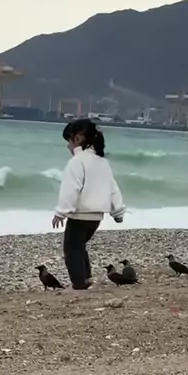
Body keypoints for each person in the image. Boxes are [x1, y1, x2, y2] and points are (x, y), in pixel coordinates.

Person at [52, 118, 125, 290]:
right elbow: (113, 188)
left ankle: (79, 284)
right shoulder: (103, 162)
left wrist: (61, 212)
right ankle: (86, 277)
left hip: (80, 215)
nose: (68, 146)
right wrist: (118, 212)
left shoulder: (77, 162)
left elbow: (71, 188)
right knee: (79, 247)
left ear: (77, 138)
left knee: (72, 249)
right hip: (96, 218)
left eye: (69, 141)